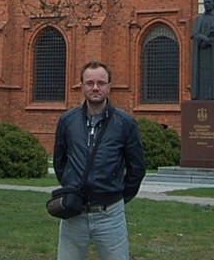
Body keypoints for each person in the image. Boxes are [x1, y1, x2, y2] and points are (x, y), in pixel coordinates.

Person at [53, 60, 146, 260]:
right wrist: (72, 186)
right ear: (81, 86)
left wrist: (116, 195)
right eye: (90, 83)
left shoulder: (125, 123)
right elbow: (60, 162)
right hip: (74, 213)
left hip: (110, 215)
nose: (95, 88)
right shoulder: (67, 121)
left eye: (101, 83)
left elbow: (137, 168)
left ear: (109, 87)